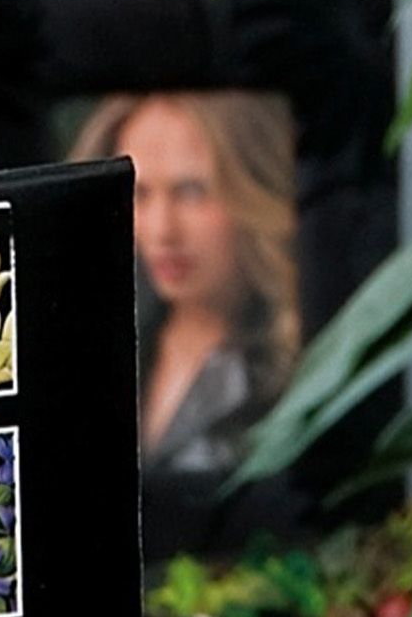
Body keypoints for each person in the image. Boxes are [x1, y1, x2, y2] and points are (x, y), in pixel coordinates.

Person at [71, 88, 305, 559]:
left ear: (252, 192)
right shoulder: (90, 347)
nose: (162, 230)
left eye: (192, 192)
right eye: (139, 194)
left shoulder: (303, 367)